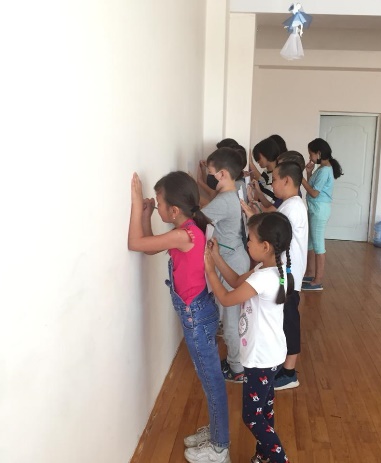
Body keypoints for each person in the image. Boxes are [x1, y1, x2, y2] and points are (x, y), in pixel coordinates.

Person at [127, 172, 230, 463]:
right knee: (210, 381)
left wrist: (135, 202)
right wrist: (147, 215)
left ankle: (220, 448)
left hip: (197, 317)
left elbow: (135, 243)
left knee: (212, 382)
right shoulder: (187, 229)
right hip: (200, 313)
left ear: (174, 210)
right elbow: (149, 246)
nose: (156, 206)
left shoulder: (183, 235)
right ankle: (217, 432)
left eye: (159, 203)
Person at [204, 212, 293, 463]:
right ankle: (264, 456)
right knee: (265, 409)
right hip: (272, 353)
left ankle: (279, 459)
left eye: (250, 239)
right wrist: (217, 257)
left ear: (265, 246)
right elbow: (234, 281)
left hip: (261, 357)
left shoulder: (263, 277)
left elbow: (226, 298)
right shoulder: (270, 269)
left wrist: (210, 270)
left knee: (252, 416)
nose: (247, 243)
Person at [241, 161, 308, 390]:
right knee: (284, 319)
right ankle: (283, 367)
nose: (273, 184)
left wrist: (254, 218)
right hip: (286, 272)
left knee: (289, 321)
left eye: (275, 180)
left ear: (287, 180)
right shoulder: (291, 204)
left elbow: (274, 233)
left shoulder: (292, 207)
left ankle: (289, 372)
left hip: (288, 274)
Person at [203, 148, 251, 382]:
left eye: (210, 172)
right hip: (234, 257)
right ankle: (236, 360)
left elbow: (197, 219)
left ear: (222, 174)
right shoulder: (231, 193)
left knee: (230, 322)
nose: (208, 176)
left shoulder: (223, 200)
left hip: (231, 261)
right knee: (232, 318)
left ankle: (237, 368)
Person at [301, 138, 343, 291]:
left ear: (318, 153)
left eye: (311, 154)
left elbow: (314, 193)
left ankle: (317, 281)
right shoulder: (322, 168)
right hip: (315, 209)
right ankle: (310, 273)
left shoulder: (325, 170)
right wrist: (308, 173)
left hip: (319, 211)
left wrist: (300, 179)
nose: (310, 157)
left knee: (318, 245)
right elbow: (313, 186)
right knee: (310, 243)